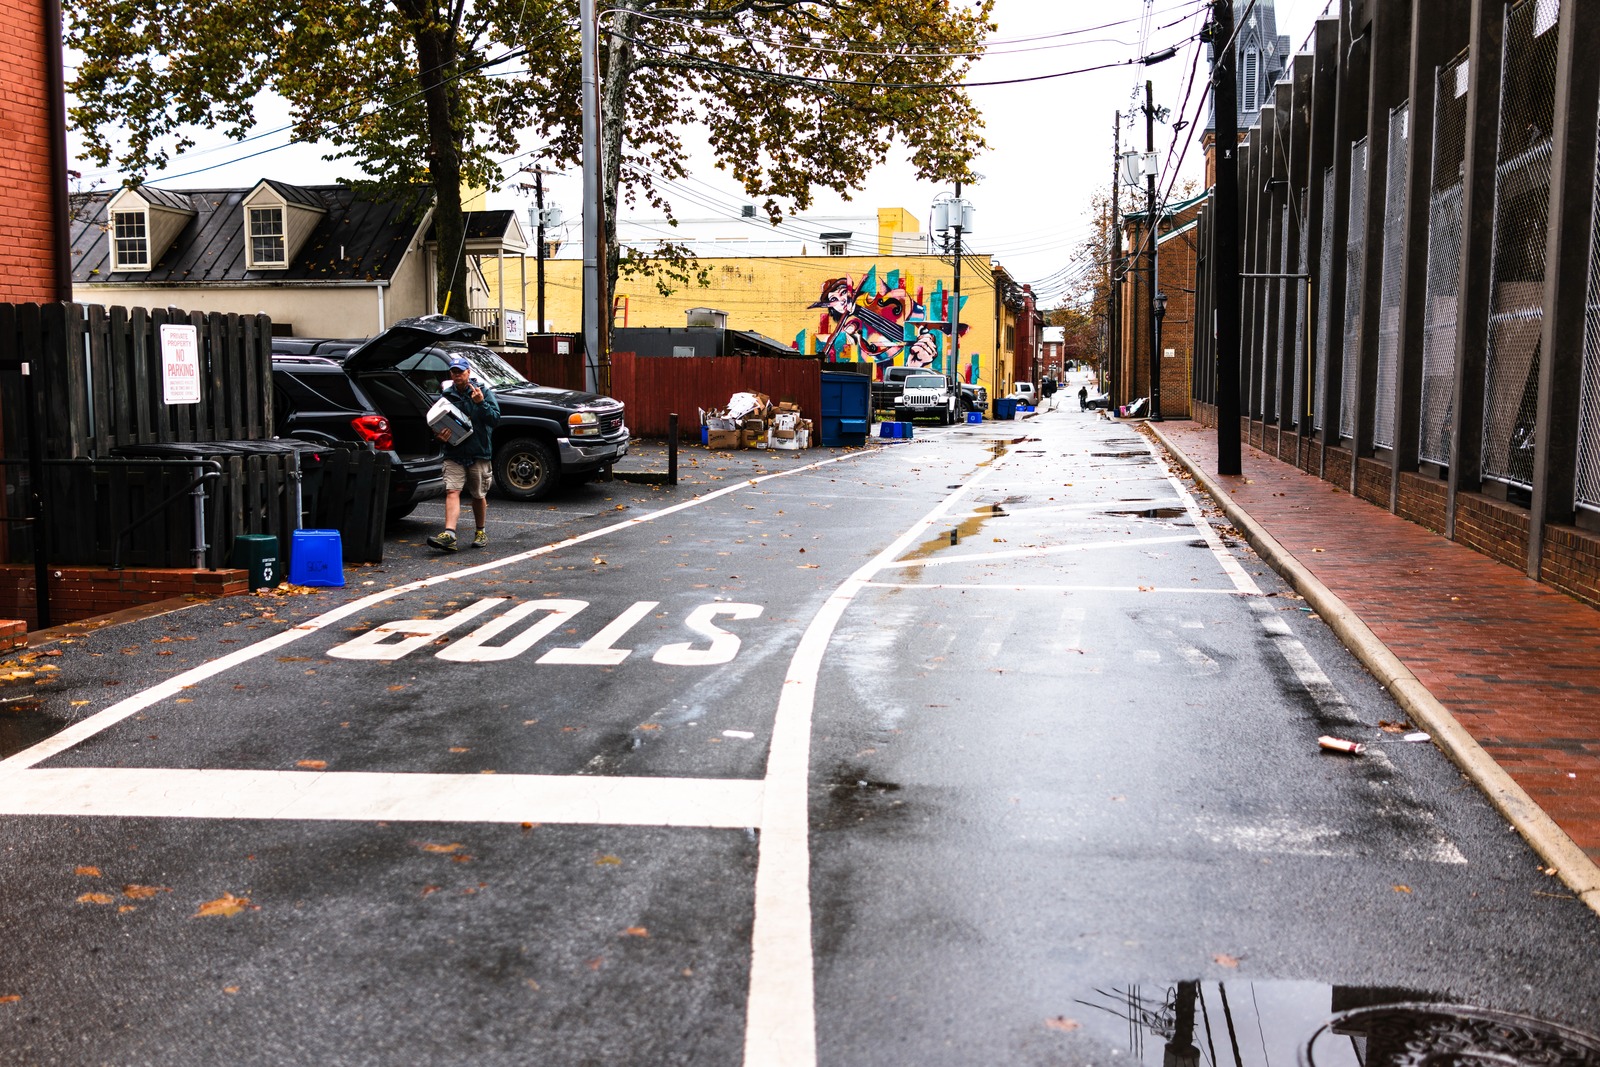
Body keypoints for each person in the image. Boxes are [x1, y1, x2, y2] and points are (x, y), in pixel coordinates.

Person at [427, 354, 501, 552]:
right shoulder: (447, 395)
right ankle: (449, 535)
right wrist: (439, 437)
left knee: (478, 494)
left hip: (478, 451)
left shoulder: (482, 391)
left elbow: (494, 420)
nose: (457, 375)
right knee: (452, 490)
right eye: (454, 371)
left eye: (461, 371)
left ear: (468, 372)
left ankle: (480, 531)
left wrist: (480, 403)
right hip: (454, 451)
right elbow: (437, 423)